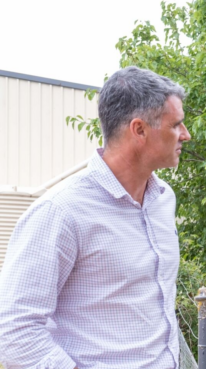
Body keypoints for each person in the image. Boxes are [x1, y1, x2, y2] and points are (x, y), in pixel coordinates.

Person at [0, 66, 191, 369]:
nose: (186, 135)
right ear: (139, 130)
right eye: (176, 126)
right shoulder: (60, 212)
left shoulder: (163, 199)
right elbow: (13, 331)